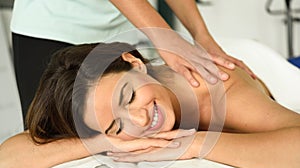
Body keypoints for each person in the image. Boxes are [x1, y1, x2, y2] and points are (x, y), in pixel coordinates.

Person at [0, 42, 299, 168]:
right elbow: (6, 161)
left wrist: (192, 145)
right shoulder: (100, 107)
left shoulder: (219, 90)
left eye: (129, 96)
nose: (140, 120)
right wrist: (102, 142)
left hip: (269, 68)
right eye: (117, 125)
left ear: (134, 62)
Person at [10, 0, 254, 122]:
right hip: (54, 28)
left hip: (120, 28)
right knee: (52, 142)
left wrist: (202, 35)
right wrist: (164, 36)